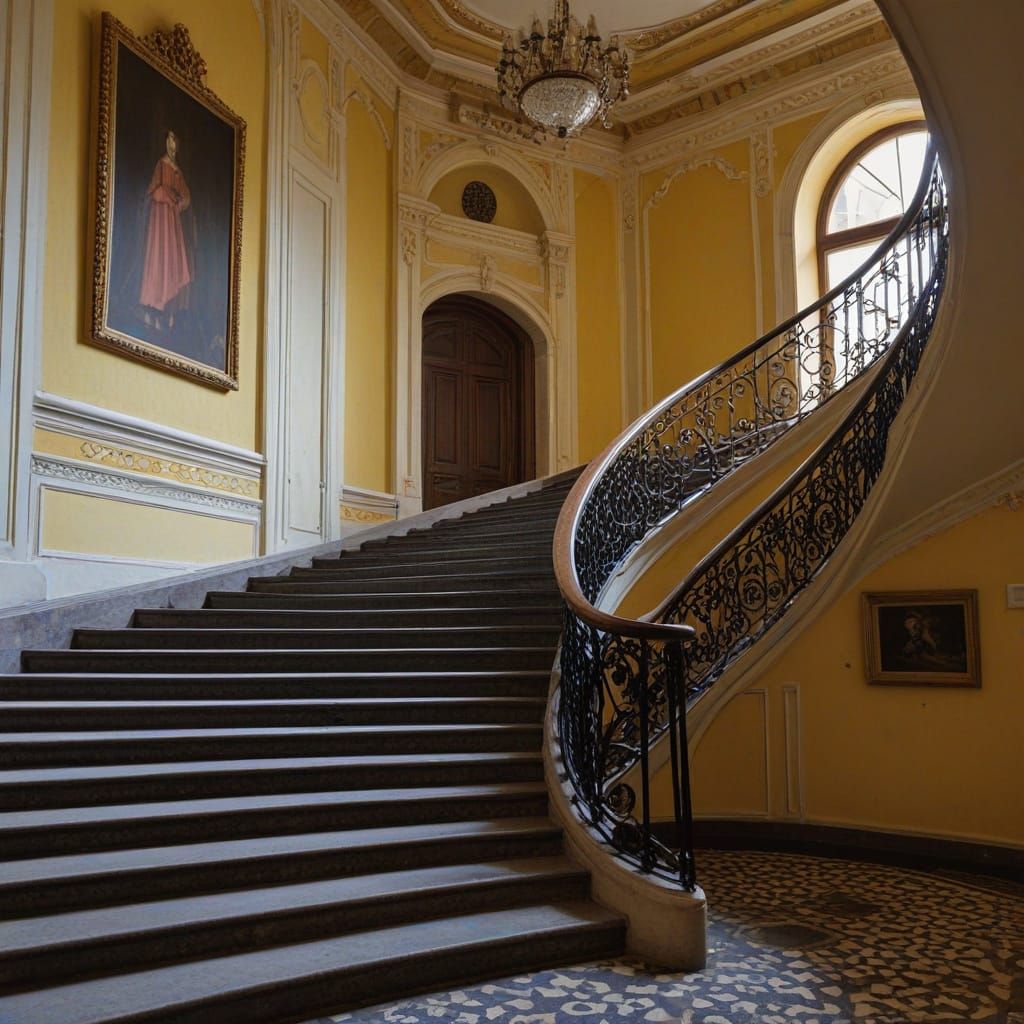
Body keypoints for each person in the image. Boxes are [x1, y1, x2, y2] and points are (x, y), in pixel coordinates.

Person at [139, 130, 192, 331]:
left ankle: (167, 308)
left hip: (171, 220)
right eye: (168, 142)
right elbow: (153, 190)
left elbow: (186, 196)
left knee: (171, 259)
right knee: (158, 257)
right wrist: (166, 195)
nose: (171, 146)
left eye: (174, 142)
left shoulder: (177, 170)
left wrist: (178, 201)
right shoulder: (161, 164)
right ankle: (153, 304)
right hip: (160, 218)